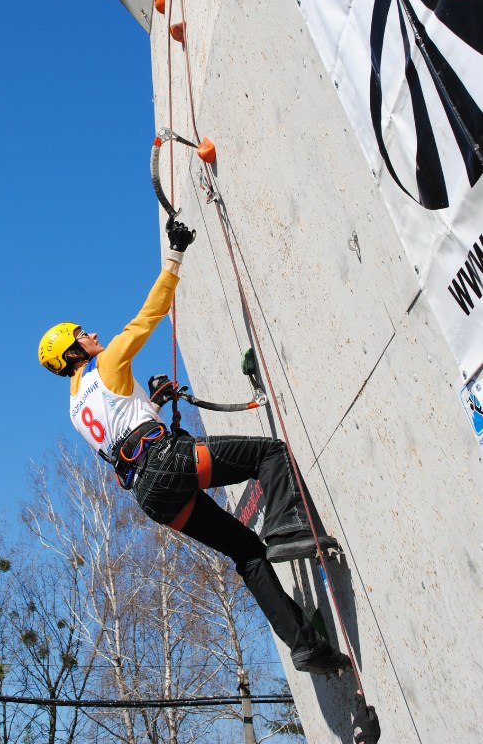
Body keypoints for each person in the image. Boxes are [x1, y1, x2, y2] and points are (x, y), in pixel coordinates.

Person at [38, 218, 351, 675]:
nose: (91, 334)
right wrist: (175, 256)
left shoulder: (74, 407)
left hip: (151, 497)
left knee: (244, 551)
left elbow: (125, 435)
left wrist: (155, 405)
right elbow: (147, 318)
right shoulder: (106, 364)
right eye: (81, 334)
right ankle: (287, 529)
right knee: (270, 453)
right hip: (167, 463)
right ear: (73, 352)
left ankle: (305, 648)